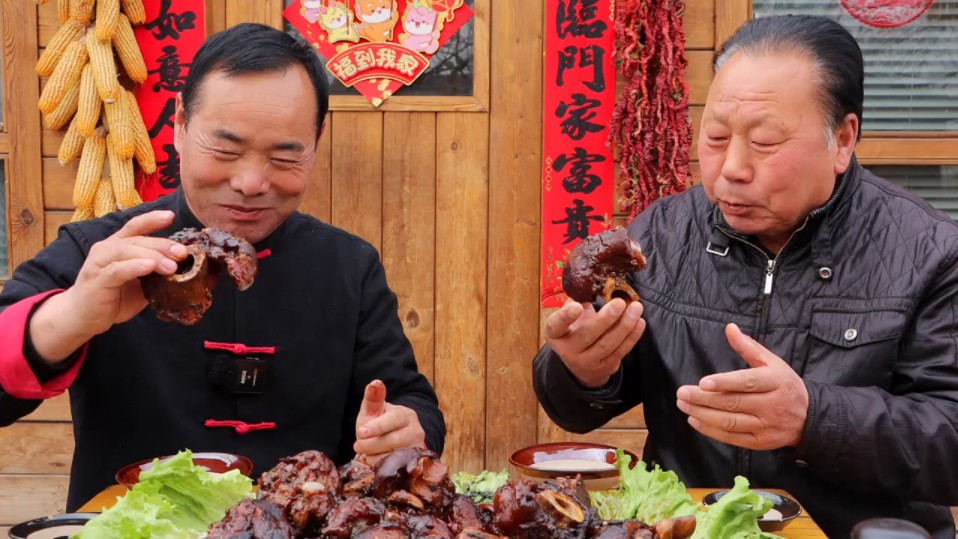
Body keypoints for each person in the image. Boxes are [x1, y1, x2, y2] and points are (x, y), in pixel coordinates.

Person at [534, 14, 958, 538]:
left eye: (764, 143)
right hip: (693, 527)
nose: (732, 167)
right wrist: (581, 372)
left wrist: (814, 419)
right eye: (715, 137)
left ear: (843, 139)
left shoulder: (931, 251)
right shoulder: (662, 235)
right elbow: (575, 413)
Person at [0, 23, 444, 511]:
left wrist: (404, 428)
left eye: (284, 155)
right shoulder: (101, 251)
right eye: (226, 150)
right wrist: (71, 317)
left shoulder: (349, 266)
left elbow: (410, 403)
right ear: (179, 126)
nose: (252, 182)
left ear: (316, 140)